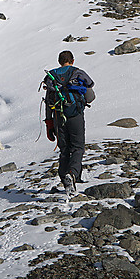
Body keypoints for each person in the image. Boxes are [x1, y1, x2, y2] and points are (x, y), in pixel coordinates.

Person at [43, 50, 95, 194]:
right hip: (76, 116)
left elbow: (48, 103)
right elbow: (90, 96)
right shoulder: (78, 73)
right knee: (78, 148)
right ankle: (72, 175)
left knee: (64, 149)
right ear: (72, 60)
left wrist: (49, 123)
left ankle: (65, 180)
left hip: (59, 117)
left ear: (59, 61)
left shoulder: (52, 77)